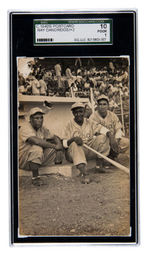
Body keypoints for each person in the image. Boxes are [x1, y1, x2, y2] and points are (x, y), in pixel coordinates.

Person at [62, 103, 110, 184]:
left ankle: (98, 166)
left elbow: (102, 129)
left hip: (89, 150)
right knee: (74, 144)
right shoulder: (68, 125)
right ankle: (84, 173)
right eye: (76, 112)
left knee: (103, 137)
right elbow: (64, 144)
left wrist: (111, 135)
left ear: (84, 112)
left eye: (80, 111)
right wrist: (73, 139)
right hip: (74, 154)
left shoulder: (89, 122)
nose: (78, 114)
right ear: (73, 113)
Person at [19, 107, 63, 185]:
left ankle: (58, 169)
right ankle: (35, 177)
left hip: (34, 159)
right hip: (23, 159)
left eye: (41, 118)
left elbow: (54, 137)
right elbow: (36, 141)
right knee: (37, 148)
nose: (40, 120)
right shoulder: (25, 128)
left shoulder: (42, 128)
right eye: (36, 118)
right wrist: (55, 146)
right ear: (30, 119)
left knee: (55, 148)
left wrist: (59, 144)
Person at [90, 95, 129, 161]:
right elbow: (93, 133)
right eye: (100, 104)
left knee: (126, 142)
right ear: (97, 106)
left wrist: (116, 139)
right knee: (102, 139)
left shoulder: (112, 115)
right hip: (100, 142)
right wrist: (110, 137)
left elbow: (118, 129)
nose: (102, 106)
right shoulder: (93, 117)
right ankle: (101, 160)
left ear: (108, 105)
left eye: (104, 104)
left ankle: (113, 155)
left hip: (113, 139)